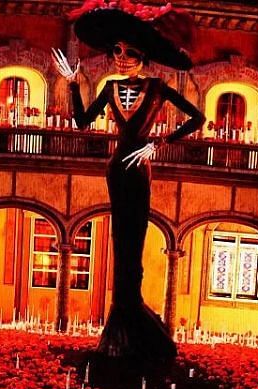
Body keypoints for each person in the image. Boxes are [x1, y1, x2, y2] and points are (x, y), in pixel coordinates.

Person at [55, 1, 202, 362]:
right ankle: (122, 317)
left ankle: (130, 311)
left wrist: (159, 143)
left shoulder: (157, 87)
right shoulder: (109, 88)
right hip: (116, 165)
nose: (121, 57)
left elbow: (196, 117)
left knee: (134, 236)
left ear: (144, 57)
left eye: (130, 52)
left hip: (140, 165)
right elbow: (82, 122)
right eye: (116, 50)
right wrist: (74, 84)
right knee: (120, 236)